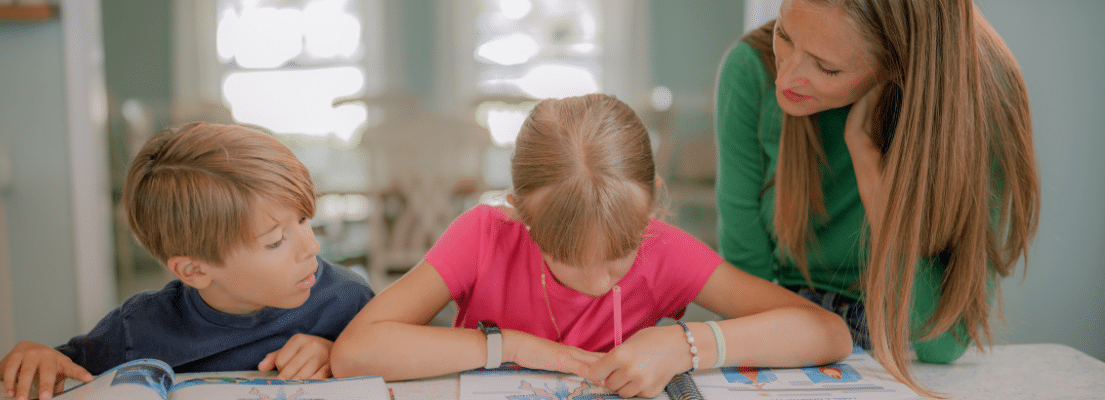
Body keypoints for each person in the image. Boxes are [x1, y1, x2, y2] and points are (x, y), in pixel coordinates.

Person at [331, 94, 852, 398]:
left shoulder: (663, 249)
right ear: (521, 215)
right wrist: (512, 347)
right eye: (569, 257)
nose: (601, 281)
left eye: (619, 253)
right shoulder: (485, 234)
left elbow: (827, 333)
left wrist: (684, 345)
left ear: (652, 206)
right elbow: (357, 353)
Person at [713, 0, 1039, 395]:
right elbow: (747, 274)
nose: (786, 78)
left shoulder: (986, 94)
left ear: (896, 63)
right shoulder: (750, 68)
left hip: (902, 336)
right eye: (785, 34)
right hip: (789, 320)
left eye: (827, 68)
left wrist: (867, 156)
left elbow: (941, 344)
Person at [0, 122, 375, 400]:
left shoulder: (348, 300)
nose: (311, 248)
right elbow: (39, 372)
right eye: (275, 241)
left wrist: (338, 355)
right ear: (193, 270)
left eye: (305, 219)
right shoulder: (138, 329)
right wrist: (32, 355)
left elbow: (395, 370)